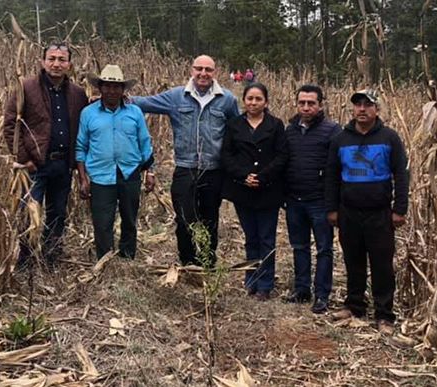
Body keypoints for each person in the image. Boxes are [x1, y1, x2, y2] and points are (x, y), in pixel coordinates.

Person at [131, 55, 239, 267]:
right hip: (185, 168)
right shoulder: (176, 97)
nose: (203, 73)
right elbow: (144, 102)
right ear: (191, 70)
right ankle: (188, 262)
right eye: (199, 69)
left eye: (208, 69)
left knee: (210, 219)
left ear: (214, 72)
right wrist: (113, 97)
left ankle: (208, 262)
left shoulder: (227, 99)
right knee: (183, 219)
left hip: (213, 170)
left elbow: (237, 131)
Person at [325, 89, 409, 334]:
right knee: (354, 261)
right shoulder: (341, 139)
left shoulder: (389, 138)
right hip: (349, 212)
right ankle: (355, 306)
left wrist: (399, 209)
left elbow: (401, 175)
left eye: (367, 105)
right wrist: (332, 208)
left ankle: (384, 314)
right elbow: (331, 176)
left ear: (377, 109)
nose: (362, 109)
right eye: (357, 105)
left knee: (382, 264)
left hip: (379, 214)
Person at [4, 42, 88, 267]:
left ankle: (52, 257)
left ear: (69, 65)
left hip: (62, 165)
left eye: (62, 59)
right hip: (36, 166)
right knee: (28, 214)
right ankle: (27, 261)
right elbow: (11, 125)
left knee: (57, 213)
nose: (56, 64)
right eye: (52, 59)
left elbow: (84, 126)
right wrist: (25, 159)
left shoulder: (78, 94)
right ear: (43, 62)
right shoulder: (26, 87)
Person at [76, 65, 155, 260]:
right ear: (100, 88)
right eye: (107, 86)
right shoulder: (88, 113)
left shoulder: (135, 112)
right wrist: (83, 178)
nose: (112, 91)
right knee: (102, 222)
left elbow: (145, 143)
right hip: (101, 176)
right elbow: (81, 147)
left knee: (129, 219)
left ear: (123, 89)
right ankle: (105, 259)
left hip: (130, 173)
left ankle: (127, 257)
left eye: (116, 87)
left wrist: (150, 171)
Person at [221, 83, 286, 300]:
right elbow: (227, 156)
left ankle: (266, 284)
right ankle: (251, 280)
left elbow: (281, 156)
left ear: (266, 102)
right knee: (251, 237)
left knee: (266, 238)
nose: (253, 102)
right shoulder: (234, 125)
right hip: (243, 190)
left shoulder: (276, 125)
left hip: (268, 190)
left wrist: (262, 176)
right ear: (244, 101)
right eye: (250, 98)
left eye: (258, 99)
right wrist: (244, 176)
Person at [284, 84, 342, 314]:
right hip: (295, 200)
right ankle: (301, 289)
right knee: (299, 246)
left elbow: (336, 169)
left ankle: (322, 295)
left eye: (311, 103)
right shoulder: (290, 130)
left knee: (324, 248)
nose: (306, 107)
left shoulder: (332, 131)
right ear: (296, 104)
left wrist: (333, 203)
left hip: (320, 201)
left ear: (320, 105)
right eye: (302, 103)